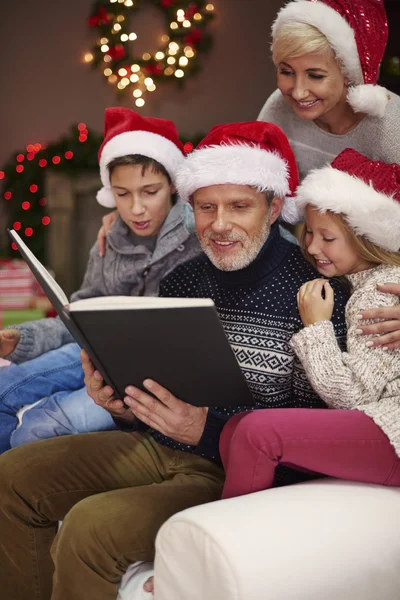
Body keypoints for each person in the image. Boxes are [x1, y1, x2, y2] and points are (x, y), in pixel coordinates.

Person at [0, 120, 350, 600]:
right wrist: (121, 406)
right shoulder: (183, 281)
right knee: (13, 476)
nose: (220, 223)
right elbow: (156, 392)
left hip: (240, 471)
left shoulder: (317, 292)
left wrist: (206, 430)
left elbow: (320, 434)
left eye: (239, 206)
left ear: (272, 209)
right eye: (206, 207)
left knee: (90, 527)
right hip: (159, 446)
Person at [0, 108, 201, 453]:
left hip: (147, 373)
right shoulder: (109, 240)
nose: (136, 208)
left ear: (172, 185)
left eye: (150, 192)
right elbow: (77, 314)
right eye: (122, 195)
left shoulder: (201, 234)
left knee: (36, 427)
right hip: (93, 353)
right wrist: (22, 338)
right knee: (5, 386)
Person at [220, 148, 400, 500]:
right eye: (309, 233)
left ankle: (236, 541)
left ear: (368, 237)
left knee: (255, 431)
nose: (314, 247)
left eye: (328, 238)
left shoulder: (380, 292)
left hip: (392, 431)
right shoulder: (363, 283)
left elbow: (352, 396)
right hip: (378, 427)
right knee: (234, 429)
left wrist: (316, 327)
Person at [258, 0, 400, 211]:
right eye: (286, 72)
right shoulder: (278, 109)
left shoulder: (392, 128)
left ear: (348, 74)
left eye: (315, 76)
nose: (298, 92)